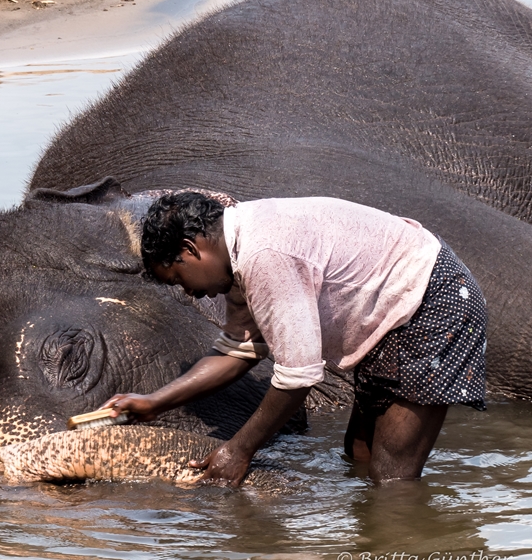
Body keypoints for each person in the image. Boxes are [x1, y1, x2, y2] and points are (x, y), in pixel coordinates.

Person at [101, 192, 487, 485]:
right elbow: (240, 348)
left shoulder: (264, 256)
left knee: (391, 478)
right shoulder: (236, 250)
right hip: (393, 312)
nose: (191, 294)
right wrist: (155, 402)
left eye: (179, 280)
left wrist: (238, 451)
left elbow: (298, 377)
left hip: (432, 301)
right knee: (360, 453)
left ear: (190, 250)